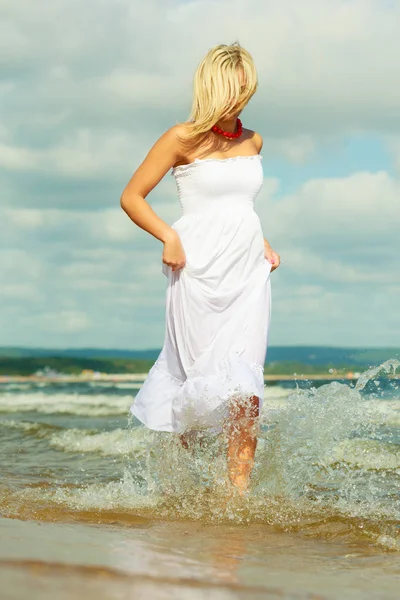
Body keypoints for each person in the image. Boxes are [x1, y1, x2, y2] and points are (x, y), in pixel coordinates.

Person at [120, 42, 280, 494]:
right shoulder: (181, 137)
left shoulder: (255, 140)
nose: (244, 93)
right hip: (196, 270)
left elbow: (237, 205)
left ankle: (236, 497)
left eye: (248, 84)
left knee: (245, 390)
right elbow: (132, 197)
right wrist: (169, 236)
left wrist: (263, 242)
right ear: (216, 85)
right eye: (236, 84)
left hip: (247, 274)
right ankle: (179, 487)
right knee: (198, 384)